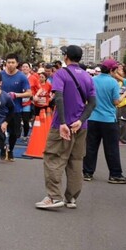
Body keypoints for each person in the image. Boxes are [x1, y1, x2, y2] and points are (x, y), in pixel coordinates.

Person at [35, 45, 96, 209]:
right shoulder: (87, 76)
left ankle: (54, 196)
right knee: (76, 161)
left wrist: (62, 122)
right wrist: (81, 119)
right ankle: (71, 198)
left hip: (62, 124)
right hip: (81, 125)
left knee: (53, 158)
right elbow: (92, 103)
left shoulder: (61, 73)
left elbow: (59, 98)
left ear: (66, 56)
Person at [82, 59, 126, 184]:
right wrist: (125, 94)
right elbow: (116, 102)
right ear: (112, 70)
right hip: (108, 119)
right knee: (111, 148)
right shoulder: (113, 82)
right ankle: (115, 174)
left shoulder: (92, 80)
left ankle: (87, 172)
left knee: (91, 147)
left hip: (92, 118)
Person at [1, 54, 32, 161]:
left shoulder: (21, 77)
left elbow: (29, 93)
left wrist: (16, 95)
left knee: (14, 133)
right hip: (1, 109)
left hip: (16, 109)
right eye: (8, 62)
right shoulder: (0, 75)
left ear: (17, 64)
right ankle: (2, 148)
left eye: (12, 62)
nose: (10, 65)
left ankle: (10, 150)